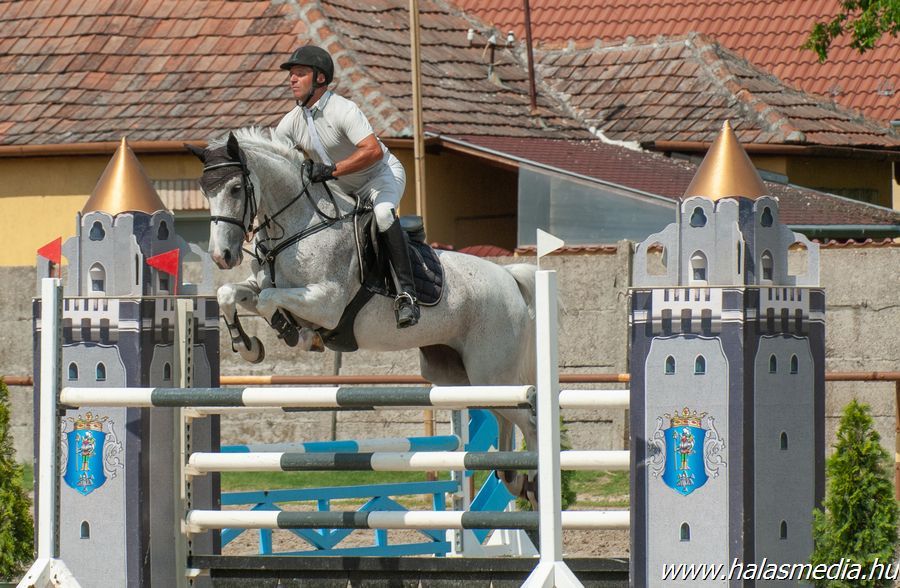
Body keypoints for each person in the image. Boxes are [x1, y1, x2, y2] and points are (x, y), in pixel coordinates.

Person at [274, 45, 419, 329]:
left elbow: (373, 151)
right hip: (344, 190)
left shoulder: (343, 109)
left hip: (380, 177)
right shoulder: (290, 123)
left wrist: (331, 170)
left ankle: (407, 295)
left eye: (300, 74)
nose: (292, 80)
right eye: (291, 75)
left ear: (319, 79)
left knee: (384, 214)